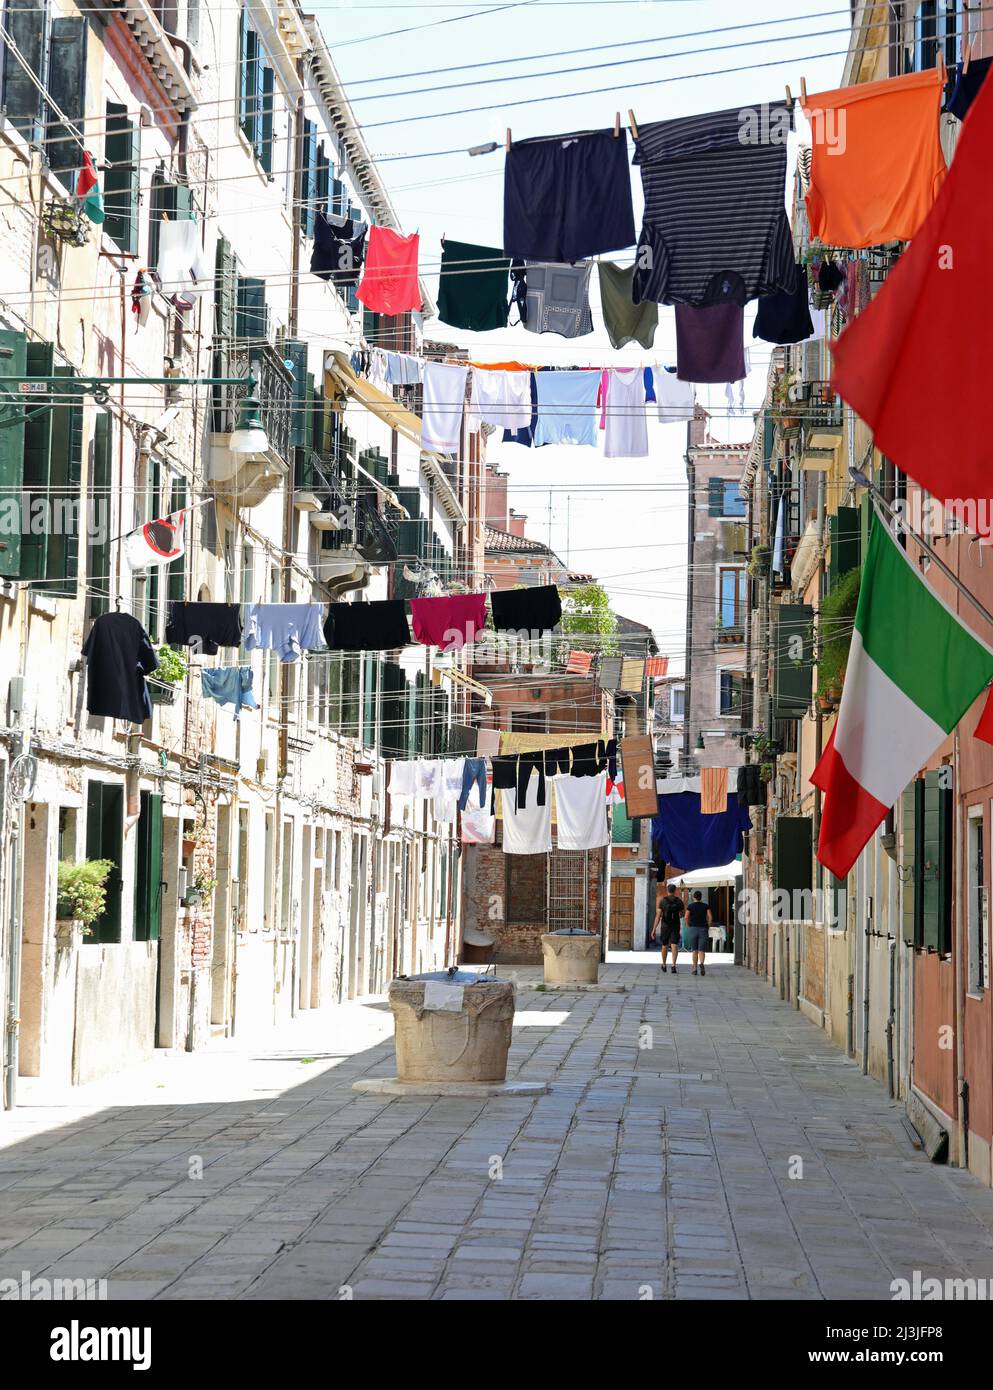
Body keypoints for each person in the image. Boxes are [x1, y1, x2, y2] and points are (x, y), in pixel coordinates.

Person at [652, 882, 685, 974]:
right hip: (675, 925)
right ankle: (674, 965)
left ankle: (664, 964)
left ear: (667, 890)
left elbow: (658, 916)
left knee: (664, 945)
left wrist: (654, 929)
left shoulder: (662, 901)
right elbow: (682, 914)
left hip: (665, 926)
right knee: (674, 945)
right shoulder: (679, 901)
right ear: (675, 891)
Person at [685, 890, 713, 976]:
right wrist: (708, 925)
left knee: (694, 950)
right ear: (701, 897)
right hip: (703, 929)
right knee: (701, 950)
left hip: (693, 928)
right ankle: (701, 963)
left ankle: (694, 969)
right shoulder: (705, 906)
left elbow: (686, 917)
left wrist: (688, 925)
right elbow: (710, 917)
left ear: (694, 897)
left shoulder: (690, 906)